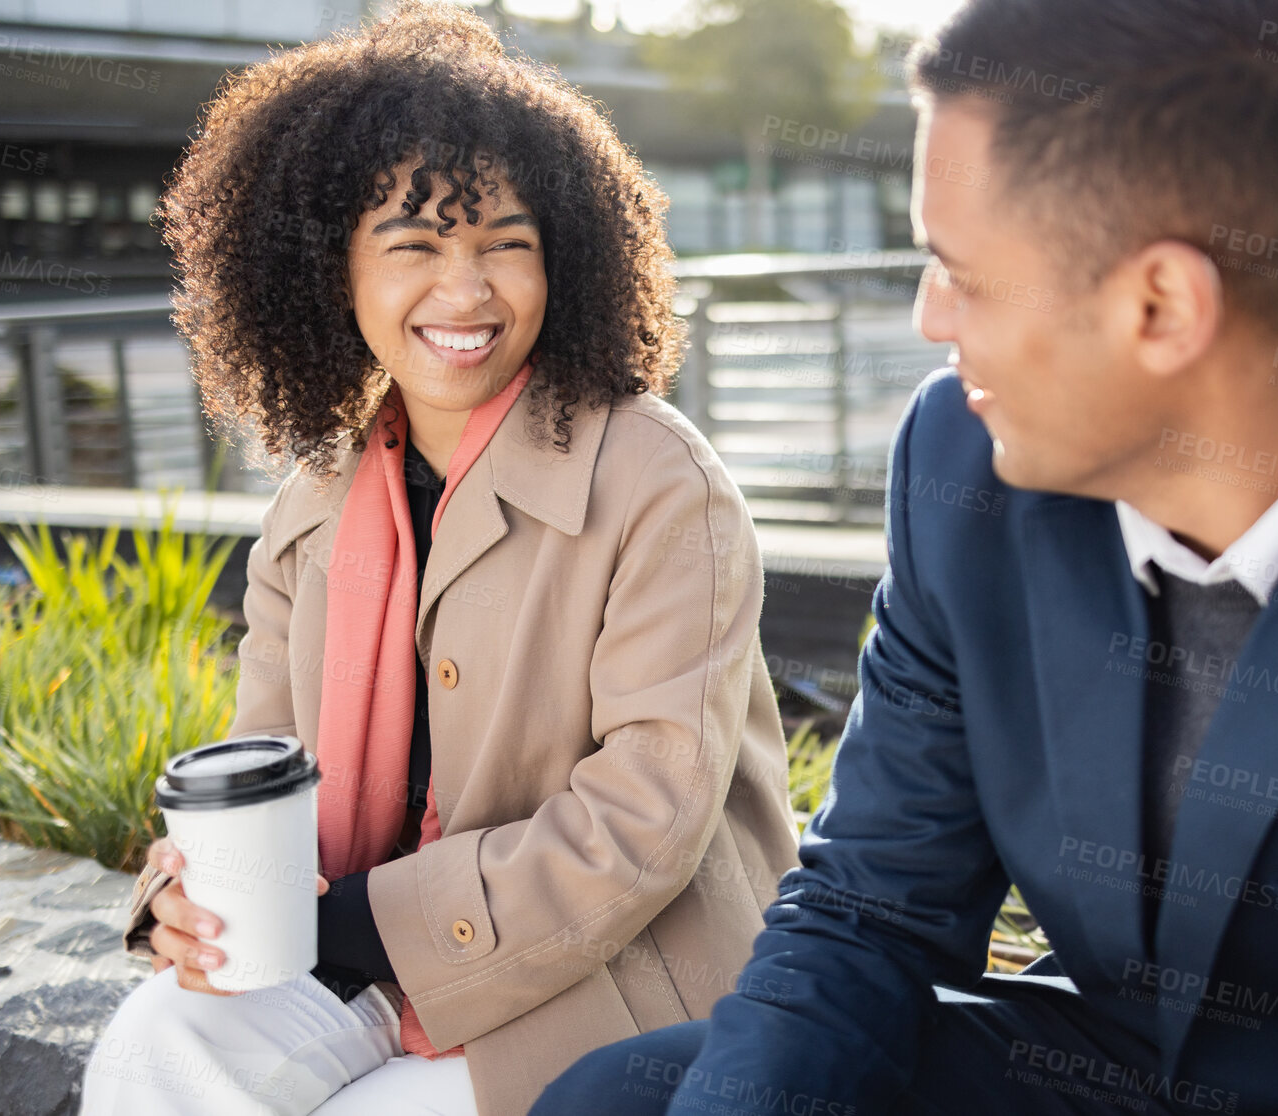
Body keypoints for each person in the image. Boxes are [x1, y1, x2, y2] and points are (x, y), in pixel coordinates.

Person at [534, 0, 1278, 1113]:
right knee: (627, 1099)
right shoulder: (964, 456)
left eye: (962, 272)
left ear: (1160, 306)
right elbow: (871, 910)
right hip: (1111, 1069)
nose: (931, 320)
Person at [79, 4, 797, 1113]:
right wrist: (191, 896)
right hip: (379, 954)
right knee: (157, 1043)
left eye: (506, 244)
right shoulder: (312, 507)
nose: (466, 293)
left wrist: (356, 928)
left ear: (565, 257)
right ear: (333, 272)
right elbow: (263, 773)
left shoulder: (660, 480)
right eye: (413, 246)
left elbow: (649, 815)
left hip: (621, 978)